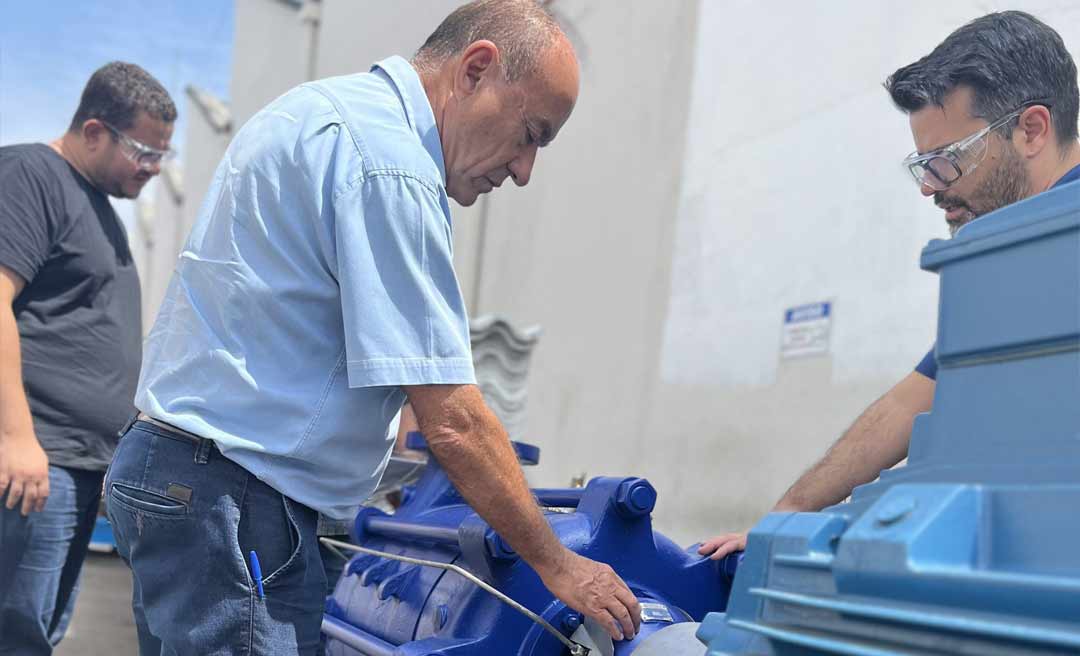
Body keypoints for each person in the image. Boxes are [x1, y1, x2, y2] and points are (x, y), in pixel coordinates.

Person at [105, 2, 641, 654]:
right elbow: (453, 420)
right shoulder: (388, 164)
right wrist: (558, 562)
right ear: (476, 69)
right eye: (531, 133)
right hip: (235, 501)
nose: (525, 170)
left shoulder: (326, 113)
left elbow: (324, 348)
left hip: (197, 483)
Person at [700, 9, 1080, 562]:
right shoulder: (1010, 262)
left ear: (1032, 129)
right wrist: (783, 518)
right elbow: (913, 401)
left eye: (948, 160)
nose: (930, 188)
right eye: (922, 165)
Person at [0, 62, 176, 654]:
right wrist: (17, 438)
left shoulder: (96, 205)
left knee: (39, 632)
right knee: (16, 634)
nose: (153, 169)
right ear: (94, 130)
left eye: (162, 156)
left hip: (72, 464)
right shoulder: (31, 175)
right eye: (143, 152)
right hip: (33, 458)